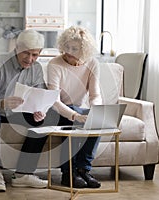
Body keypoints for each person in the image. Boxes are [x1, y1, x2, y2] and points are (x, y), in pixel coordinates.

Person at [0, 29, 55, 192]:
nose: (30, 59)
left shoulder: (36, 68)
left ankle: (23, 174)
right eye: (26, 54)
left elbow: (40, 96)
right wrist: (4, 103)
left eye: (35, 55)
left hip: (11, 111)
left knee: (46, 120)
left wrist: (40, 110)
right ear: (17, 48)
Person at [47, 26, 103, 188]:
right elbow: (54, 101)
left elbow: (95, 95)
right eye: (66, 47)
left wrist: (96, 109)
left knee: (97, 119)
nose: (68, 51)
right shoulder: (55, 64)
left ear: (84, 50)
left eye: (74, 48)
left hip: (79, 109)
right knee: (73, 118)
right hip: (58, 111)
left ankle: (83, 170)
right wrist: (75, 116)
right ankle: (68, 173)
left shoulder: (92, 63)